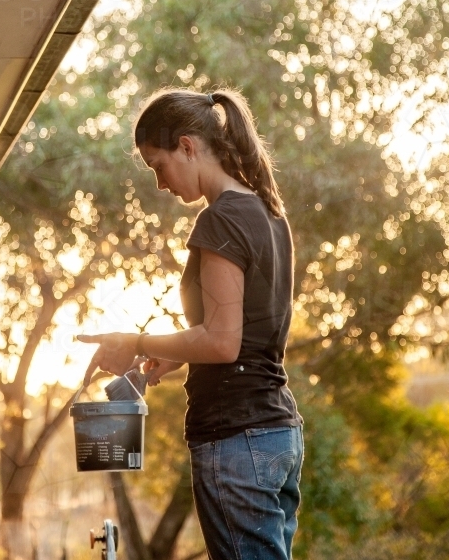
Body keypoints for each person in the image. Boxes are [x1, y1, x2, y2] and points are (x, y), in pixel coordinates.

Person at [79, 88, 303, 560]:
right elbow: (247, 339)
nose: (160, 183)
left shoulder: (221, 219)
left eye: (157, 165)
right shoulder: (268, 212)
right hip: (276, 432)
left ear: (187, 146)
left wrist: (134, 340)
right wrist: (172, 354)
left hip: (237, 437)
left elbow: (223, 343)